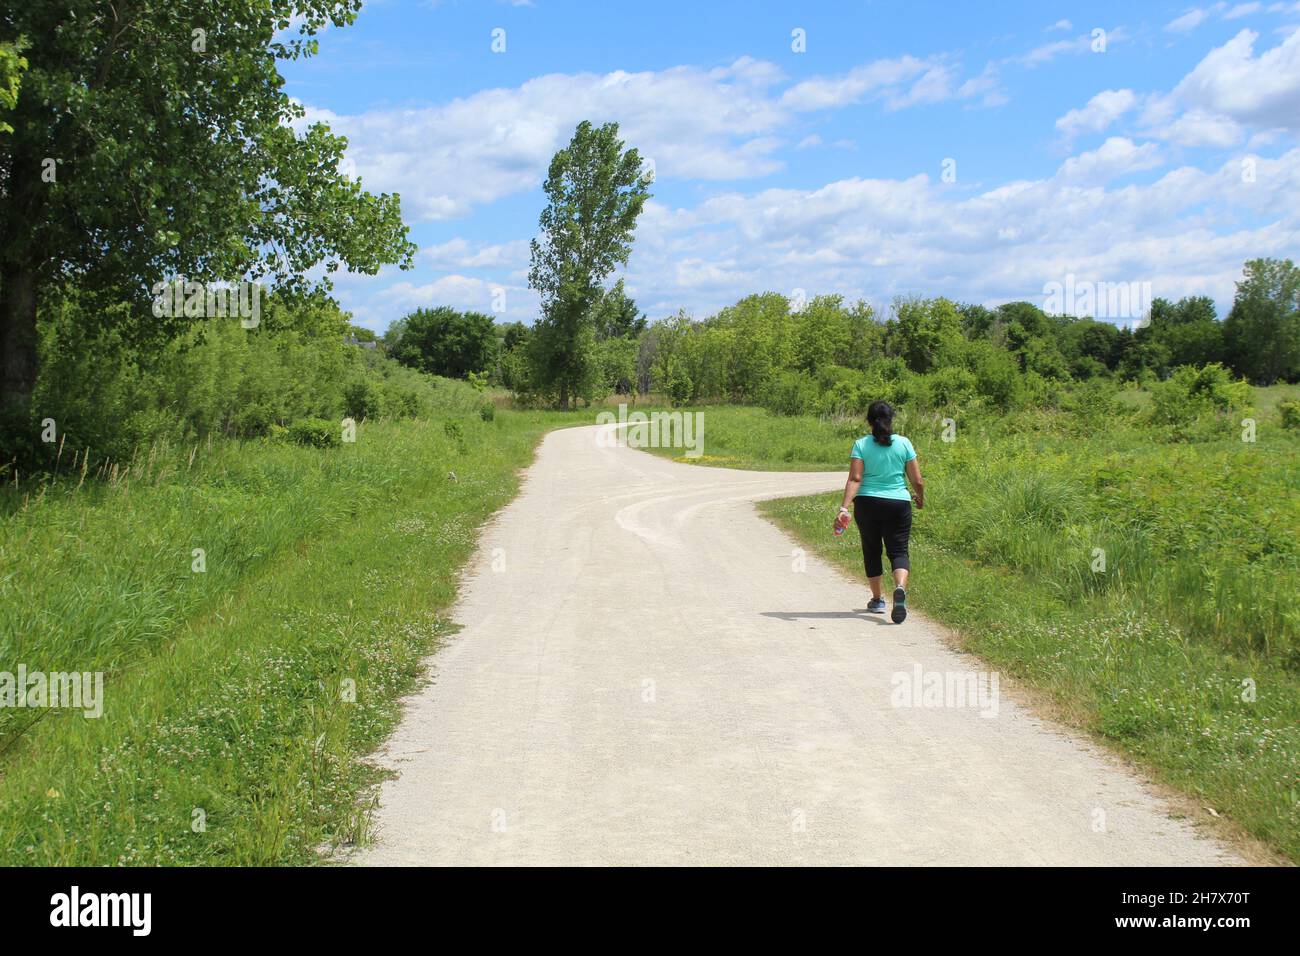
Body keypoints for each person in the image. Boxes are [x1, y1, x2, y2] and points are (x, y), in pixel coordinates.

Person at [837, 401, 924, 623]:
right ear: (891, 419)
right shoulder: (904, 443)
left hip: (867, 504)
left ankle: (877, 600)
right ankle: (899, 588)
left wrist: (844, 507)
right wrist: (920, 498)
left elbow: (855, 479)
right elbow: (917, 480)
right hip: (899, 503)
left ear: (869, 421)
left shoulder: (861, 445)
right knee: (898, 550)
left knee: (872, 549)